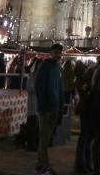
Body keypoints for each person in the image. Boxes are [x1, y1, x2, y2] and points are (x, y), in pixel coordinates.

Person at [35, 44, 64, 175]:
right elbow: (39, 87)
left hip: (54, 106)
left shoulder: (58, 67)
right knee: (44, 137)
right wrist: (41, 106)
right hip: (45, 108)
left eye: (60, 53)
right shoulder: (45, 66)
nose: (58, 55)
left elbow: (60, 87)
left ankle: (40, 164)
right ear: (51, 53)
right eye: (56, 52)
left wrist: (61, 105)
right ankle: (45, 165)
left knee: (47, 137)